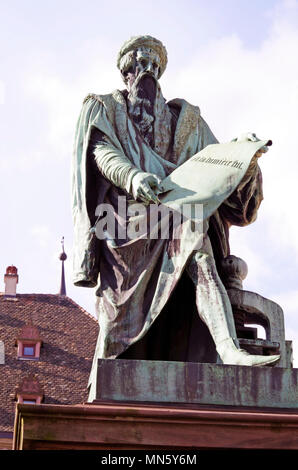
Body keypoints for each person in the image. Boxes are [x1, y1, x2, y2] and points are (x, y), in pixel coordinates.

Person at [72, 35, 279, 386]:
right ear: (126, 72)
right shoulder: (104, 107)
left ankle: (227, 347)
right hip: (126, 220)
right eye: (140, 65)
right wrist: (134, 177)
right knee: (188, 228)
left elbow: (217, 165)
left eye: (154, 66)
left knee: (193, 234)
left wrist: (243, 156)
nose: (147, 72)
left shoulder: (187, 123)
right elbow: (102, 154)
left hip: (177, 217)